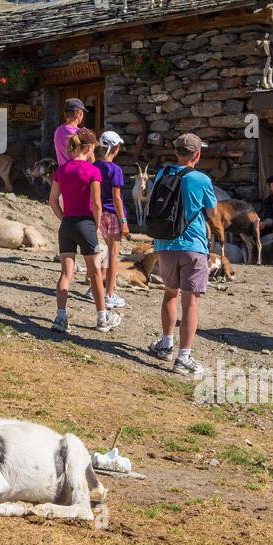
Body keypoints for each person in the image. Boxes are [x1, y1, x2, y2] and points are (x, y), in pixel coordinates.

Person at [146, 133, 215, 375]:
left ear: (176, 152)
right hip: (193, 245)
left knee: (169, 294)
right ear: (197, 154)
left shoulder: (163, 174)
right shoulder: (202, 179)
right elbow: (213, 214)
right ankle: (184, 358)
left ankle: (165, 345)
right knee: (191, 303)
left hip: (165, 245)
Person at [48, 128, 121, 334]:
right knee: (95, 273)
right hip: (86, 223)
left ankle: (61, 316)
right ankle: (102, 317)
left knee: (66, 273)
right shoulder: (92, 171)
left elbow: (52, 201)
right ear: (89, 147)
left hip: (68, 224)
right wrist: (95, 224)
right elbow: (97, 204)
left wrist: (64, 218)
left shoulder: (61, 170)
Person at [95, 130, 132, 309]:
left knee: (104, 252)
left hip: (100, 213)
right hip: (113, 214)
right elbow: (117, 198)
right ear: (115, 148)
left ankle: (95, 287)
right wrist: (123, 221)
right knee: (113, 255)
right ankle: (109, 293)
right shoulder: (115, 170)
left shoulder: (94, 166)